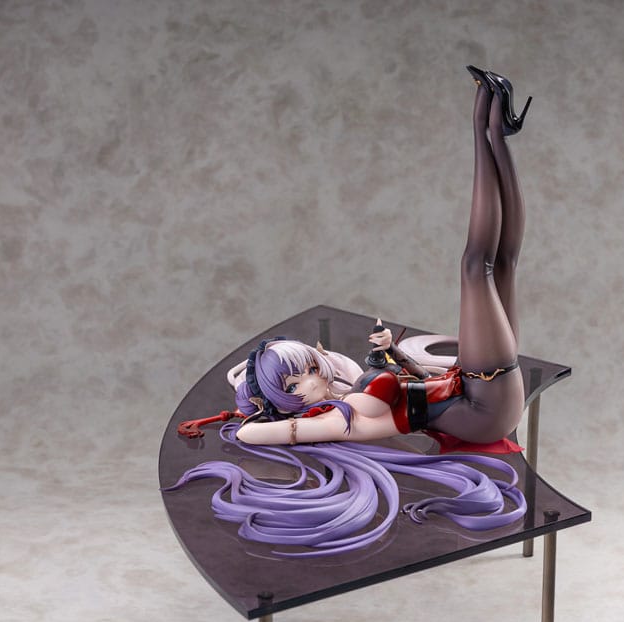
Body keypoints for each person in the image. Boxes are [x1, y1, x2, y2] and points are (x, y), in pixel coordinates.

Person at [226, 65, 531, 450]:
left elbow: (417, 384)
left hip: (472, 389)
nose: (310, 378)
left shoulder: (347, 385)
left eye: (307, 367)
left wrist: (393, 351)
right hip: (482, 408)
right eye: (292, 385)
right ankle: (482, 125)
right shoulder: (340, 420)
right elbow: (250, 433)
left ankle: (498, 132)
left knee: (504, 263)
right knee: (475, 267)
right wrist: (263, 410)